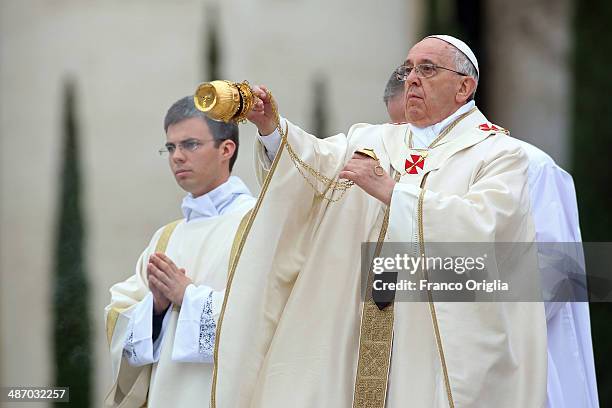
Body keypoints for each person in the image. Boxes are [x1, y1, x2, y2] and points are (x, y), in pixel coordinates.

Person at [211, 35, 547, 408]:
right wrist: (273, 128)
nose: (412, 79)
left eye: (427, 69)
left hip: (427, 342)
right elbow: (313, 168)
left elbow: (483, 229)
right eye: (408, 69)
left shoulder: (499, 154)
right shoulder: (372, 139)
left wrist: (392, 192)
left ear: (464, 87)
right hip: (353, 329)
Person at [382, 73, 600, 408]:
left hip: (512, 361)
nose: (409, 144)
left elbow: (556, 277)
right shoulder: (404, 170)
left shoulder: (530, 165)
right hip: (424, 362)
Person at [104, 96, 255, 408]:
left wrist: (189, 296)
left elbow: (269, 316)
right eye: (171, 148)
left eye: (190, 145)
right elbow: (120, 321)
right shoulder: (166, 237)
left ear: (226, 149)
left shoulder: (257, 225)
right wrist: (155, 309)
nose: (177, 157)